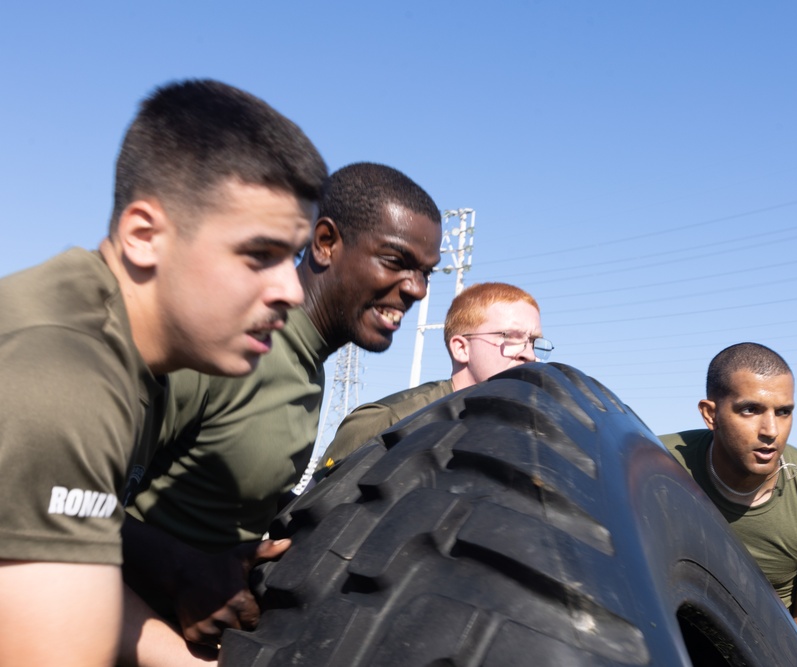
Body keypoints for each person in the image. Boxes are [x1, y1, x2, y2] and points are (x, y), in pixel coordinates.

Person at [0, 79, 326, 666]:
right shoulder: (64, 373)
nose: (290, 291)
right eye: (260, 255)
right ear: (144, 236)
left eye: (293, 259)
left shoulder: (119, 348)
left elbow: (60, 575)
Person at [123, 163, 442, 660]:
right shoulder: (223, 344)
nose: (417, 288)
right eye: (397, 260)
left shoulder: (305, 368)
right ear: (326, 242)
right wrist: (183, 569)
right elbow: (46, 498)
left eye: (426, 272)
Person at [658, 342, 797, 667]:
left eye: (784, 412)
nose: (771, 431)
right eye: (750, 410)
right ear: (711, 414)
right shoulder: (652, 464)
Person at [318, 282, 551, 470]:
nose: (528, 355)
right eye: (510, 337)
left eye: (533, 342)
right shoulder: (391, 420)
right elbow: (310, 516)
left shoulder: (530, 435)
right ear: (461, 348)